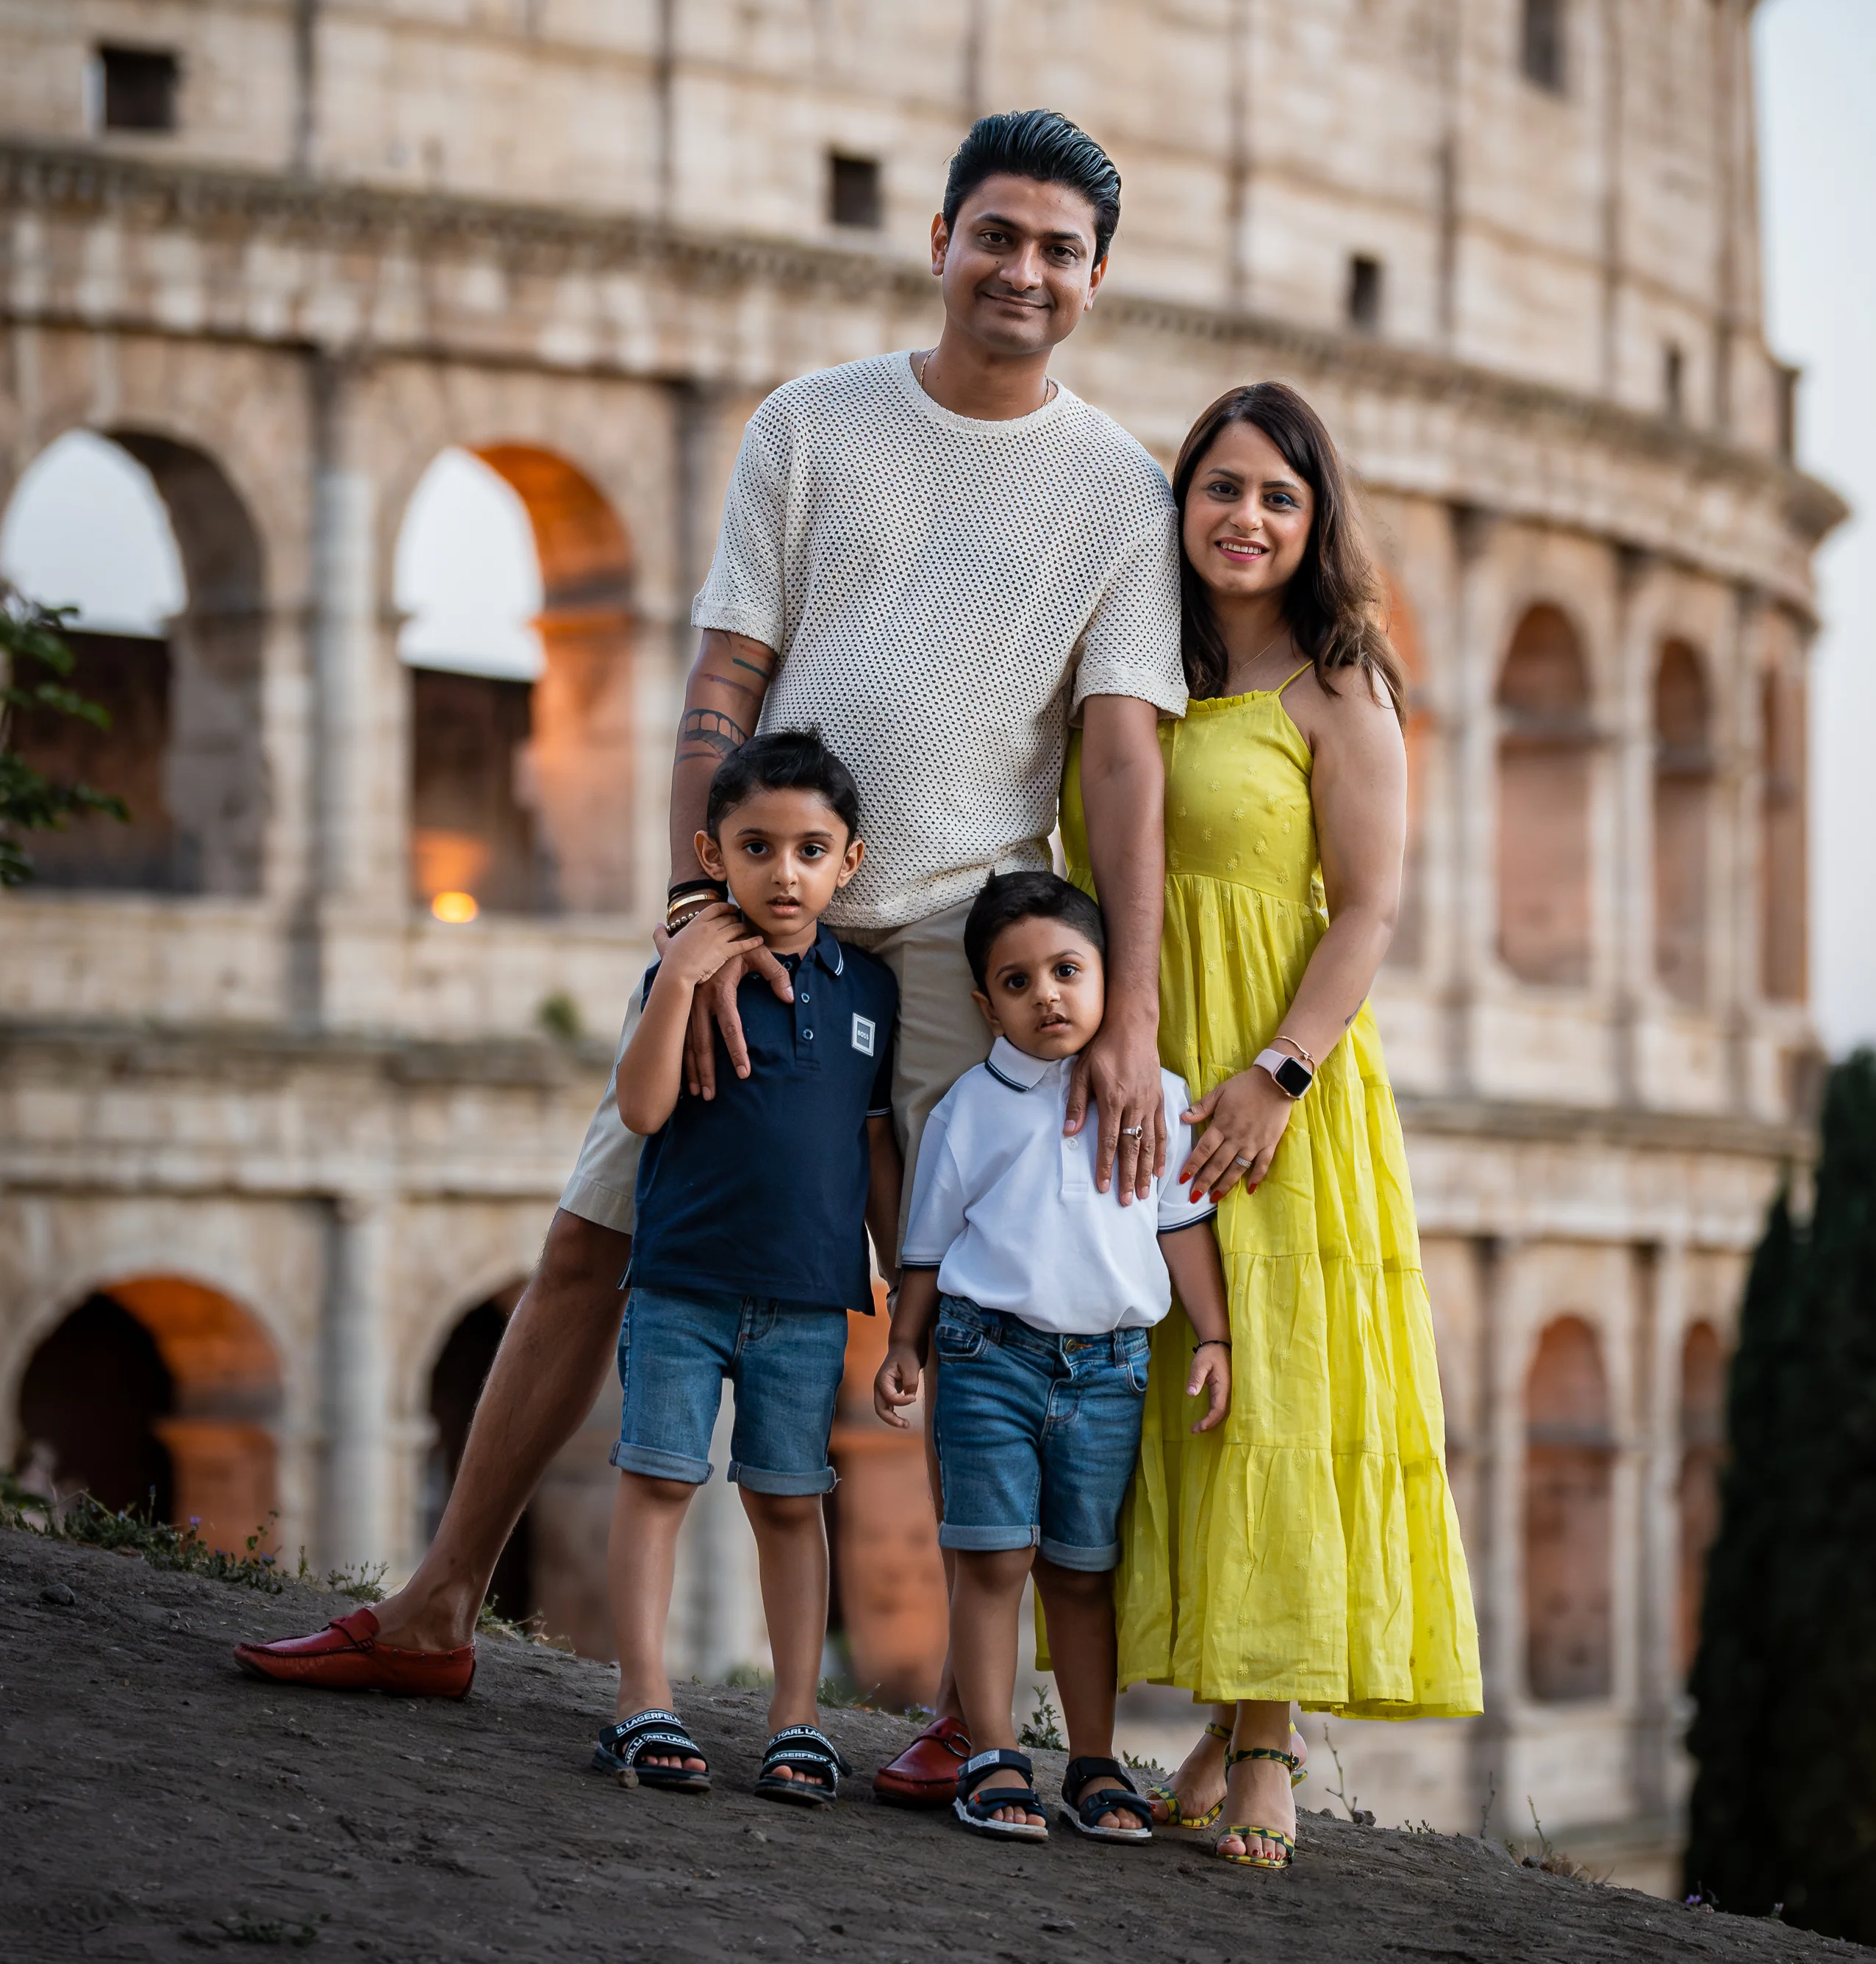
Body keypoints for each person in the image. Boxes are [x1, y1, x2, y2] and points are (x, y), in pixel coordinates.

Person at [234, 110, 1186, 1799]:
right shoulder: (810, 423)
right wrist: (698, 910)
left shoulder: (1120, 488)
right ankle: (438, 1605)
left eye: (1060, 249)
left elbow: (1119, 755)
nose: (1023, 270)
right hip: (767, 909)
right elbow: (722, 683)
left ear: (1096, 277)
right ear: (941, 240)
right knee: (597, 1237)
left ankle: (973, 1716)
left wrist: (1133, 1012)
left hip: (962, 931)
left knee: (980, 1306)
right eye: (997, 233)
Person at [1059, 381, 1482, 1872]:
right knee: (1169, 1389)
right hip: (1132, 1062)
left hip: (1270, 1079)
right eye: (1221, 487)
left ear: (1315, 523)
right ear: (1179, 502)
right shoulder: (1133, 660)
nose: (1245, 518)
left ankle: (1262, 1740)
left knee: (1274, 1390)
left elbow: (1367, 908)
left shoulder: (1339, 684)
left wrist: (1278, 1076)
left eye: (1277, 497)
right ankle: (1210, 1716)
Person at [875, 871, 1230, 1844]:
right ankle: (992, 1753)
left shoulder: (1158, 1097)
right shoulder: (968, 1109)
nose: (1048, 997)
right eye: (1018, 982)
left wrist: (1214, 1335)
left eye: (1068, 971)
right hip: (987, 1357)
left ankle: (1092, 1761)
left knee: (1081, 1569)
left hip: (1112, 1371)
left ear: (1111, 977)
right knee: (993, 1559)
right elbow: (926, 1247)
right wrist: (905, 1344)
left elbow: (1182, 1226)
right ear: (986, 1004)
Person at [590, 729, 902, 1802]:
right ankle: (641, 1698)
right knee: (657, 1481)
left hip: (810, 1299)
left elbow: (874, 1150)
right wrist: (681, 972)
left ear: (849, 863)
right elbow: (642, 1109)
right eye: (756, 848)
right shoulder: (684, 970)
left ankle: (796, 1719)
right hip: (682, 1282)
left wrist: (904, 1290)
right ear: (710, 854)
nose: (784, 873)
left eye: (811, 850)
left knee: (789, 1501)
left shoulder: (871, 991)